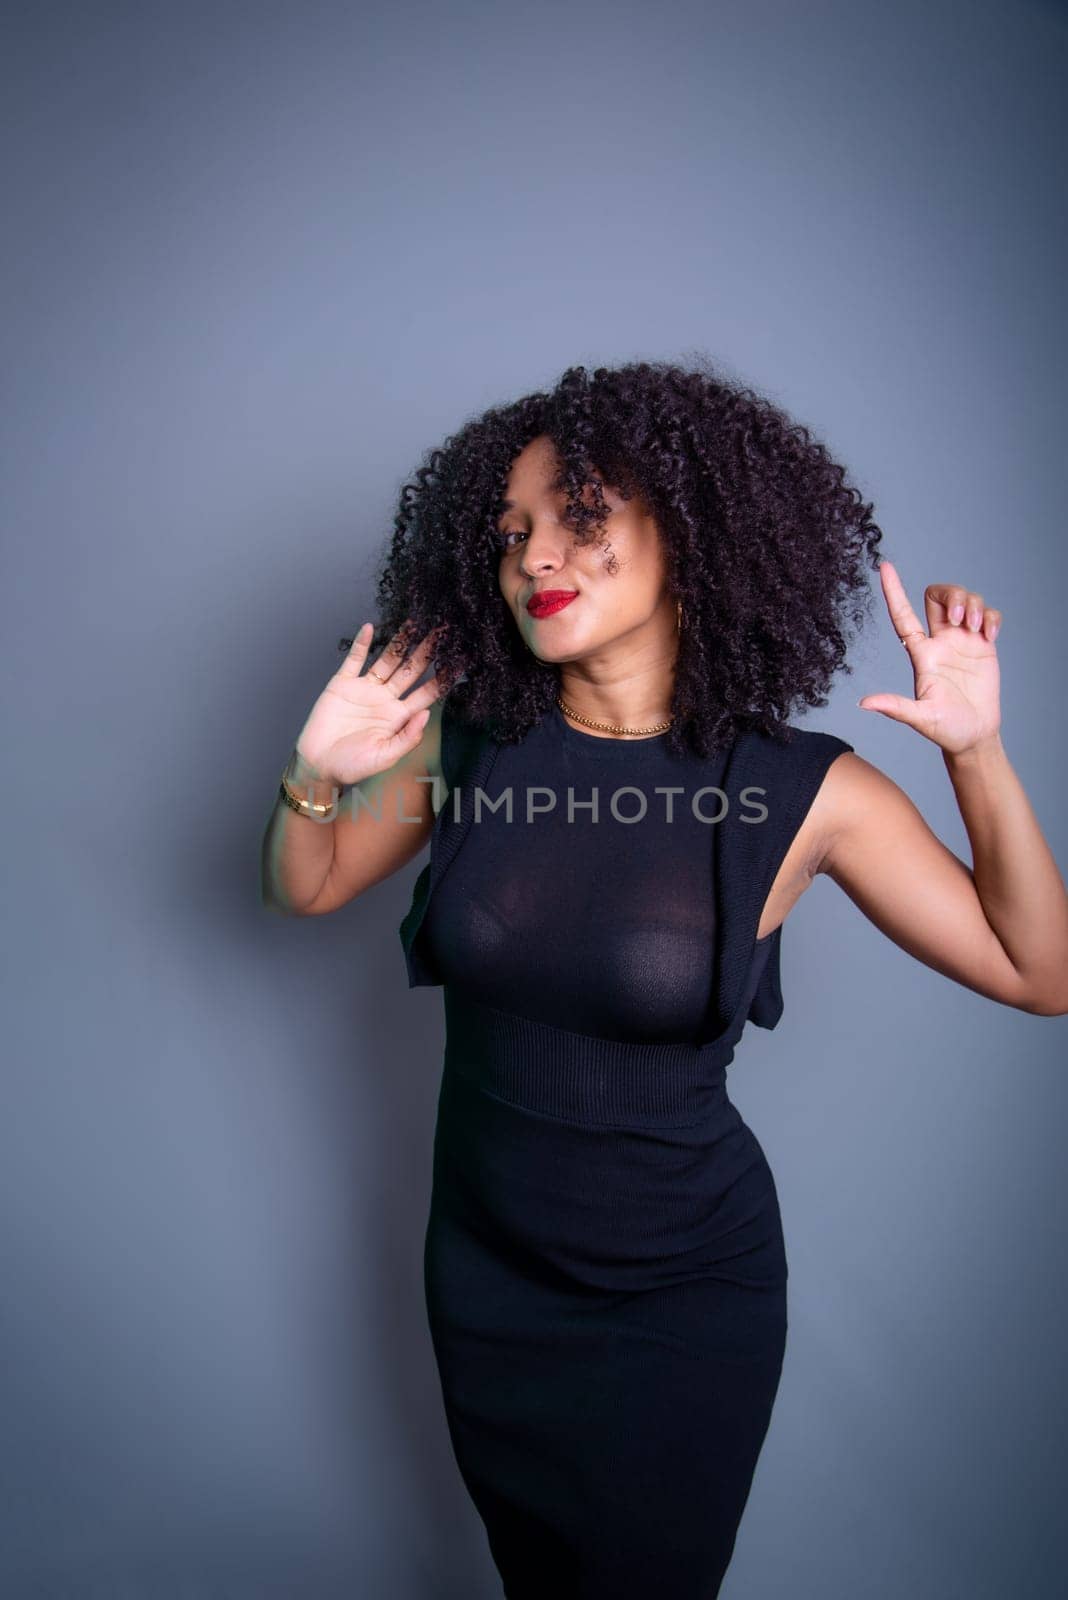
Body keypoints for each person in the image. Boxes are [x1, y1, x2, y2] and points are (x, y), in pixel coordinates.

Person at [260, 359, 1068, 1599]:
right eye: (513, 530)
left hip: (679, 1292)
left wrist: (980, 756)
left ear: (687, 533)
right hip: (485, 1274)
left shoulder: (803, 792)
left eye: (579, 518)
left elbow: (1039, 971)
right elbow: (303, 882)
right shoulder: (465, 737)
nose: (536, 555)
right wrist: (314, 771)